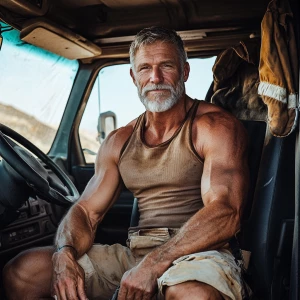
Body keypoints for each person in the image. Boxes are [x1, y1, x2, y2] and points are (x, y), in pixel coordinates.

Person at [3, 26, 249, 300]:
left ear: (185, 72)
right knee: (23, 271)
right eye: (145, 68)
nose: (155, 78)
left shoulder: (214, 127)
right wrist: (65, 253)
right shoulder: (119, 141)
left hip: (200, 255)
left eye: (166, 66)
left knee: (190, 294)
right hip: (136, 253)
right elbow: (85, 212)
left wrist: (154, 264)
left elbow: (226, 212)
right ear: (134, 76)